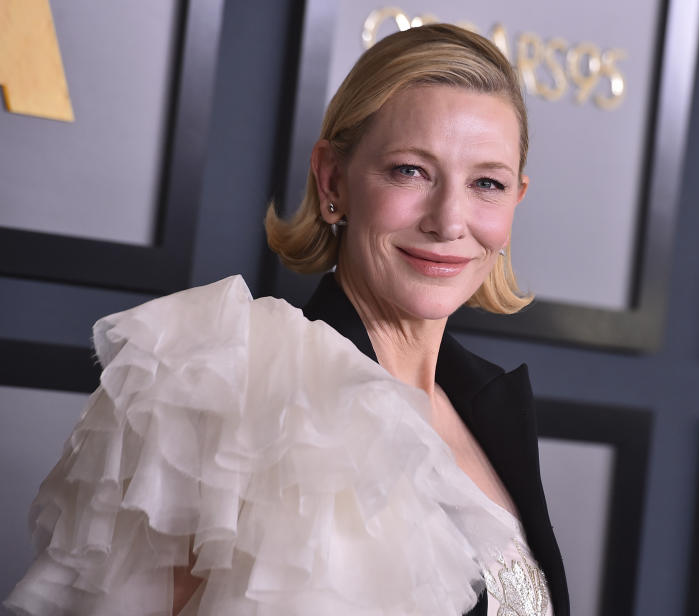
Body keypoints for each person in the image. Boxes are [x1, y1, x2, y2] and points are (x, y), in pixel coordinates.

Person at [4, 23, 568, 616]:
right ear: (333, 181)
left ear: (515, 201)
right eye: (410, 171)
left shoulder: (490, 406)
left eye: (487, 183)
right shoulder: (239, 391)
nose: (450, 219)